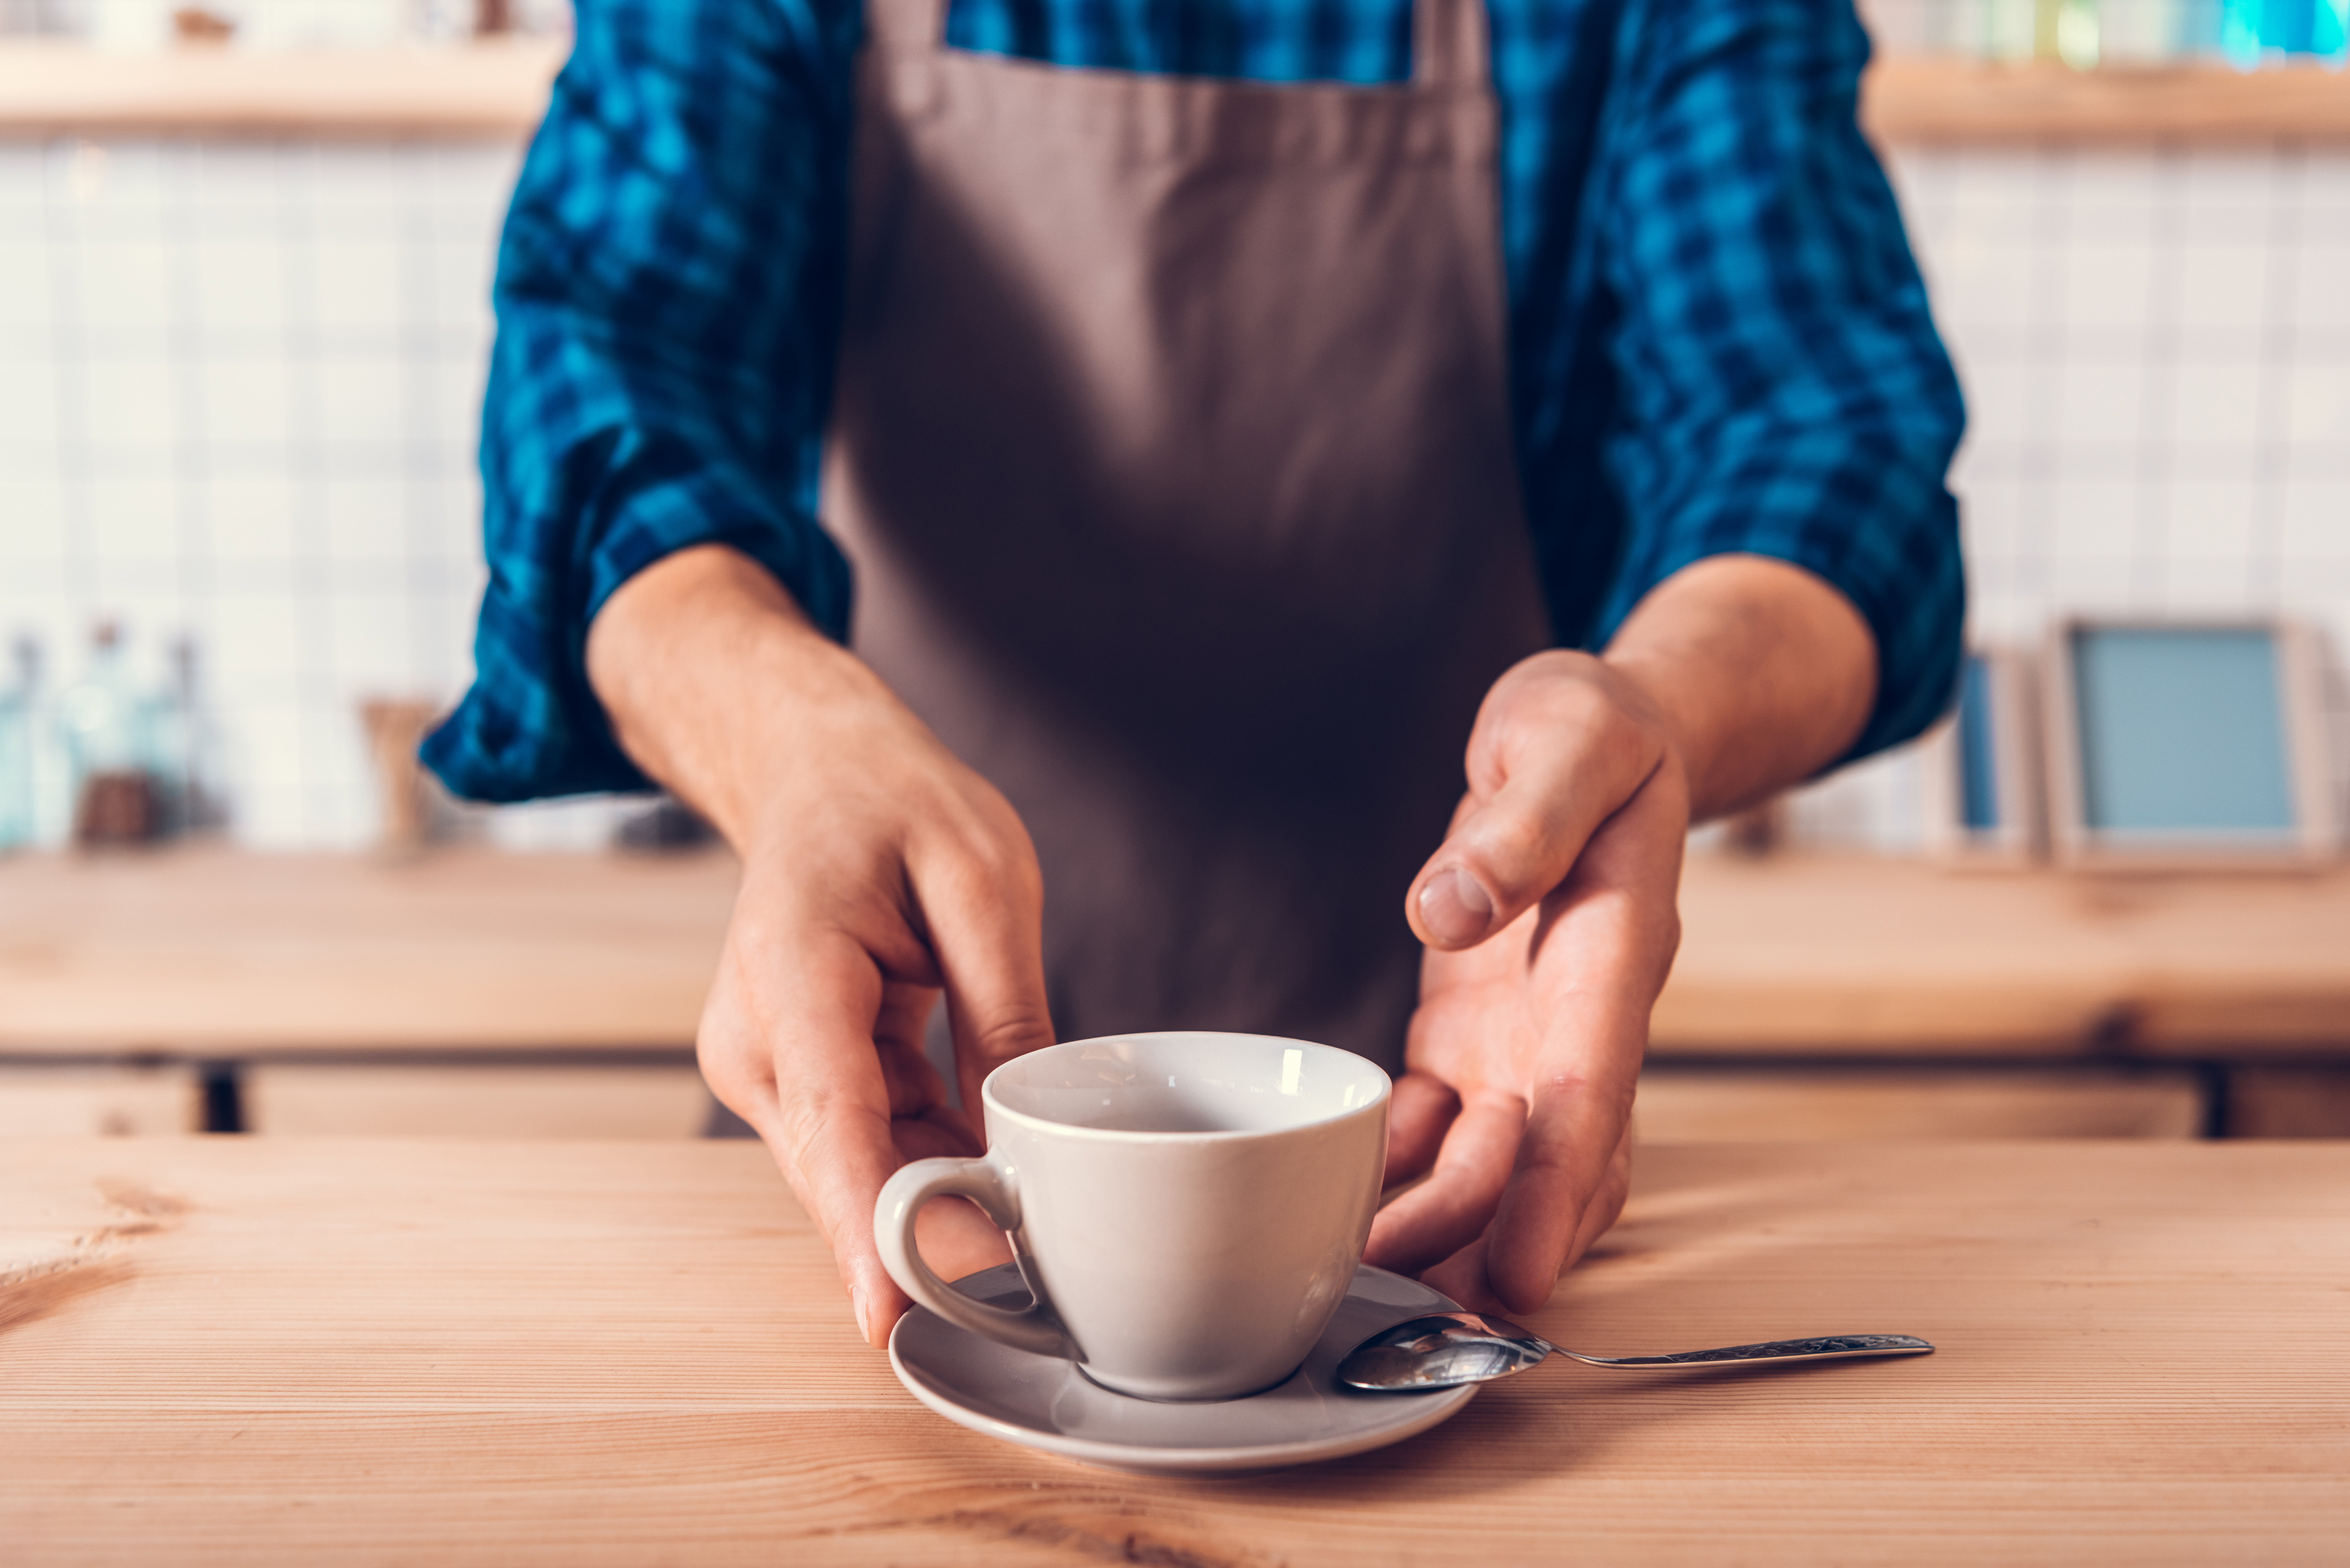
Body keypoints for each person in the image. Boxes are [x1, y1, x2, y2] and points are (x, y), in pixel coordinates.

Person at [424, 0, 1964, 1349]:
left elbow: (1820, 445)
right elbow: (614, 380)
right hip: (882, 1131)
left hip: (1457, 1166)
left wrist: (1658, 709)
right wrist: (789, 743)